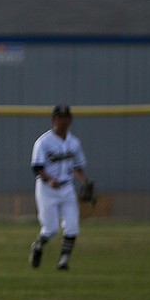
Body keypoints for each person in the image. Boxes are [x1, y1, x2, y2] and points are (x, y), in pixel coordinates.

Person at [30, 105, 89, 270]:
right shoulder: (43, 142)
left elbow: (77, 167)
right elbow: (37, 167)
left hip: (67, 187)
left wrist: (85, 181)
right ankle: (38, 245)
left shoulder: (74, 142)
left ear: (70, 120)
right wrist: (50, 180)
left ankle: (63, 261)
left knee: (72, 227)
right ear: (54, 120)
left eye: (66, 118)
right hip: (47, 189)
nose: (63, 121)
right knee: (51, 229)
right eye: (59, 118)